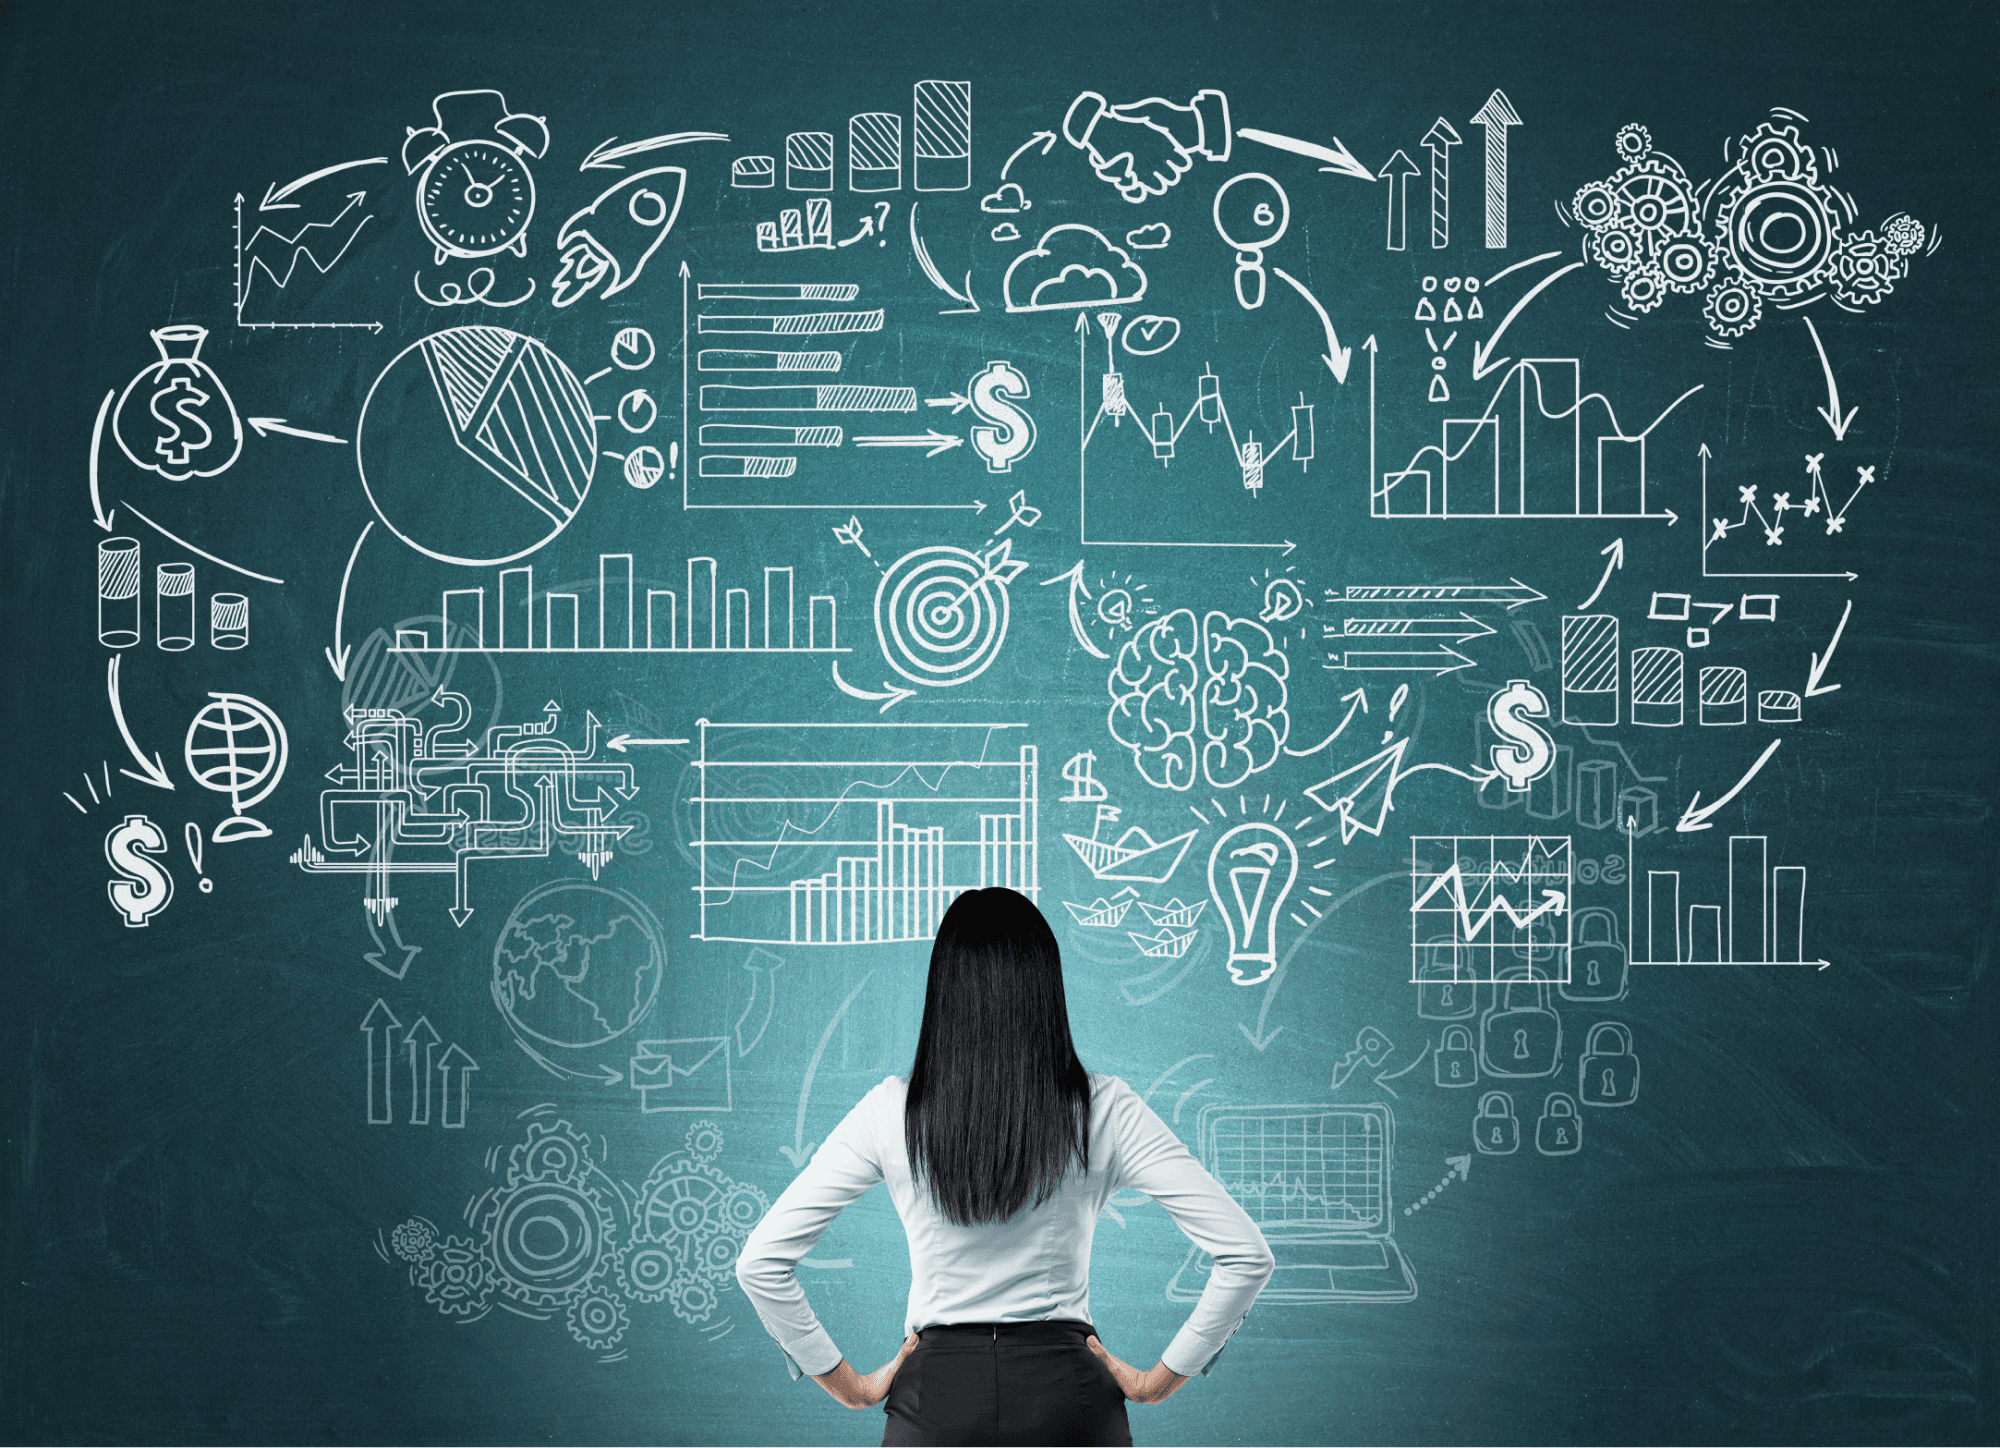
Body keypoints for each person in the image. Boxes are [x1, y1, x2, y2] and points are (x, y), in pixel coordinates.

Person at [735, 887, 1275, 1447]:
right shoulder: (1106, 1107)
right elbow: (1246, 1254)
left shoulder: (888, 1110)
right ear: (1046, 989)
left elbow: (761, 1263)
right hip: (1069, 1398)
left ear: (944, 991)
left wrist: (847, 1385)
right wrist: (1164, 1378)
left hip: (936, 1400)